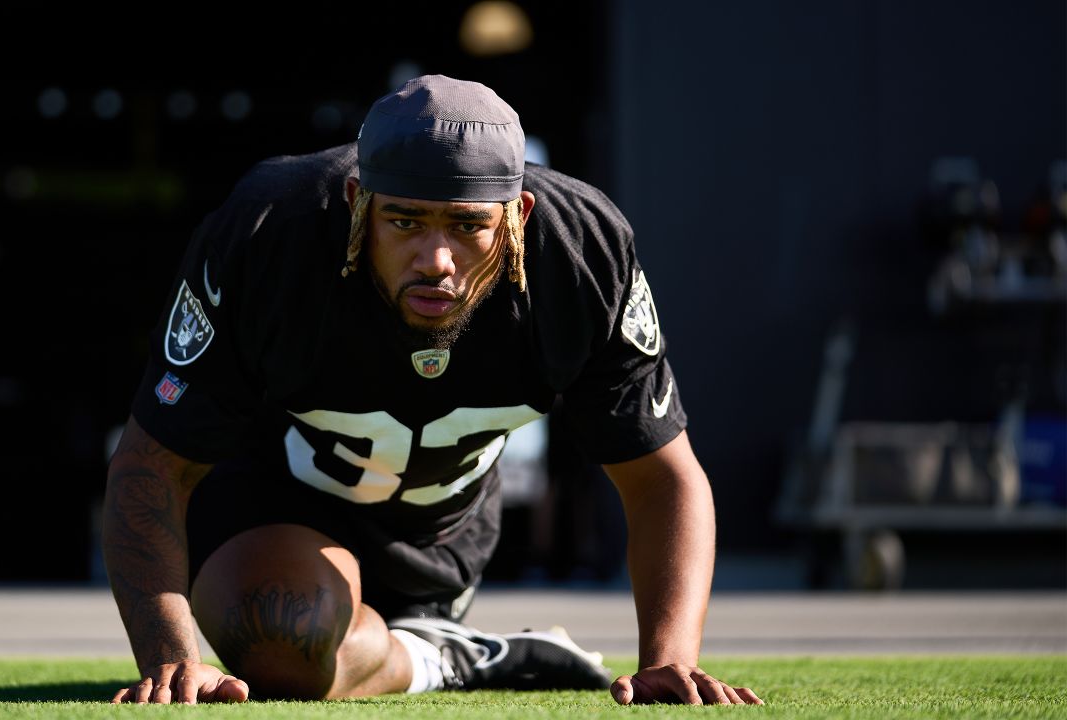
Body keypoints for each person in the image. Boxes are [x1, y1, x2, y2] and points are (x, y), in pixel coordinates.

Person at [103, 75, 761, 706]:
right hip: (273, 509)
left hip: (444, 535)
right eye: (406, 222)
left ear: (516, 215)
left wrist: (670, 659)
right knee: (283, 642)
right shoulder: (270, 229)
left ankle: (436, 644)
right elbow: (150, 465)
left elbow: (662, 477)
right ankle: (451, 658)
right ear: (358, 202)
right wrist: (172, 657)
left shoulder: (581, 251)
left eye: (468, 226)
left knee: (322, 653)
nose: (436, 260)